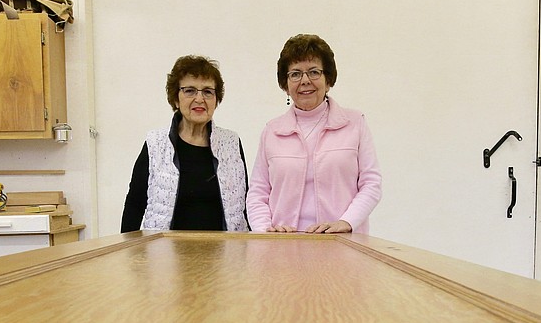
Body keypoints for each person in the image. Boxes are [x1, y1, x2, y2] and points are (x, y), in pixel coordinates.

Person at [247, 34, 382, 234]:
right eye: (295, 74)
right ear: (285, 85)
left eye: (314, 72)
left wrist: (346, 222)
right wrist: (265, 230)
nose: (305, 80)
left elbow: (371, 184)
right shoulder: (272, 131)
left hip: (341, 245)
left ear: (328, 80)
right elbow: (258, 192)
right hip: (283, 249)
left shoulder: (354, 124)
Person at [121, 55, 249, 232]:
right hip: (165, 255)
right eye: (190, 90)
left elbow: (244, 205)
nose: (199, 99)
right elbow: (135, 203)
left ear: (216, 99)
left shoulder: (231, 143)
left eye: (207, 91)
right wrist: (130, 253)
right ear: (175, 98)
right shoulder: (156, 143)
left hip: (225, 254)